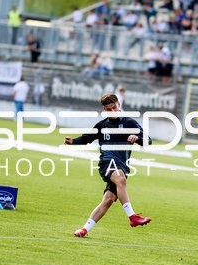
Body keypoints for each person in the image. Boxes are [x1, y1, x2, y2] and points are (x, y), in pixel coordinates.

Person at [65, 93, 152, 237]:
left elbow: (148, 141)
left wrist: (137, 138)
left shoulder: (130, 123)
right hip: (107, 162)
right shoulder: (102, 125)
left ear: (119, 105)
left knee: (109, 199)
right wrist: (73, 141)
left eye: (114, 107)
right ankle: (132, 217)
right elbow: (87, 138)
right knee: (120, 179)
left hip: (122, 166)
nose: (112, 111)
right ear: (104, 110)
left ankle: (84, 229)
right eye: (109, 109)